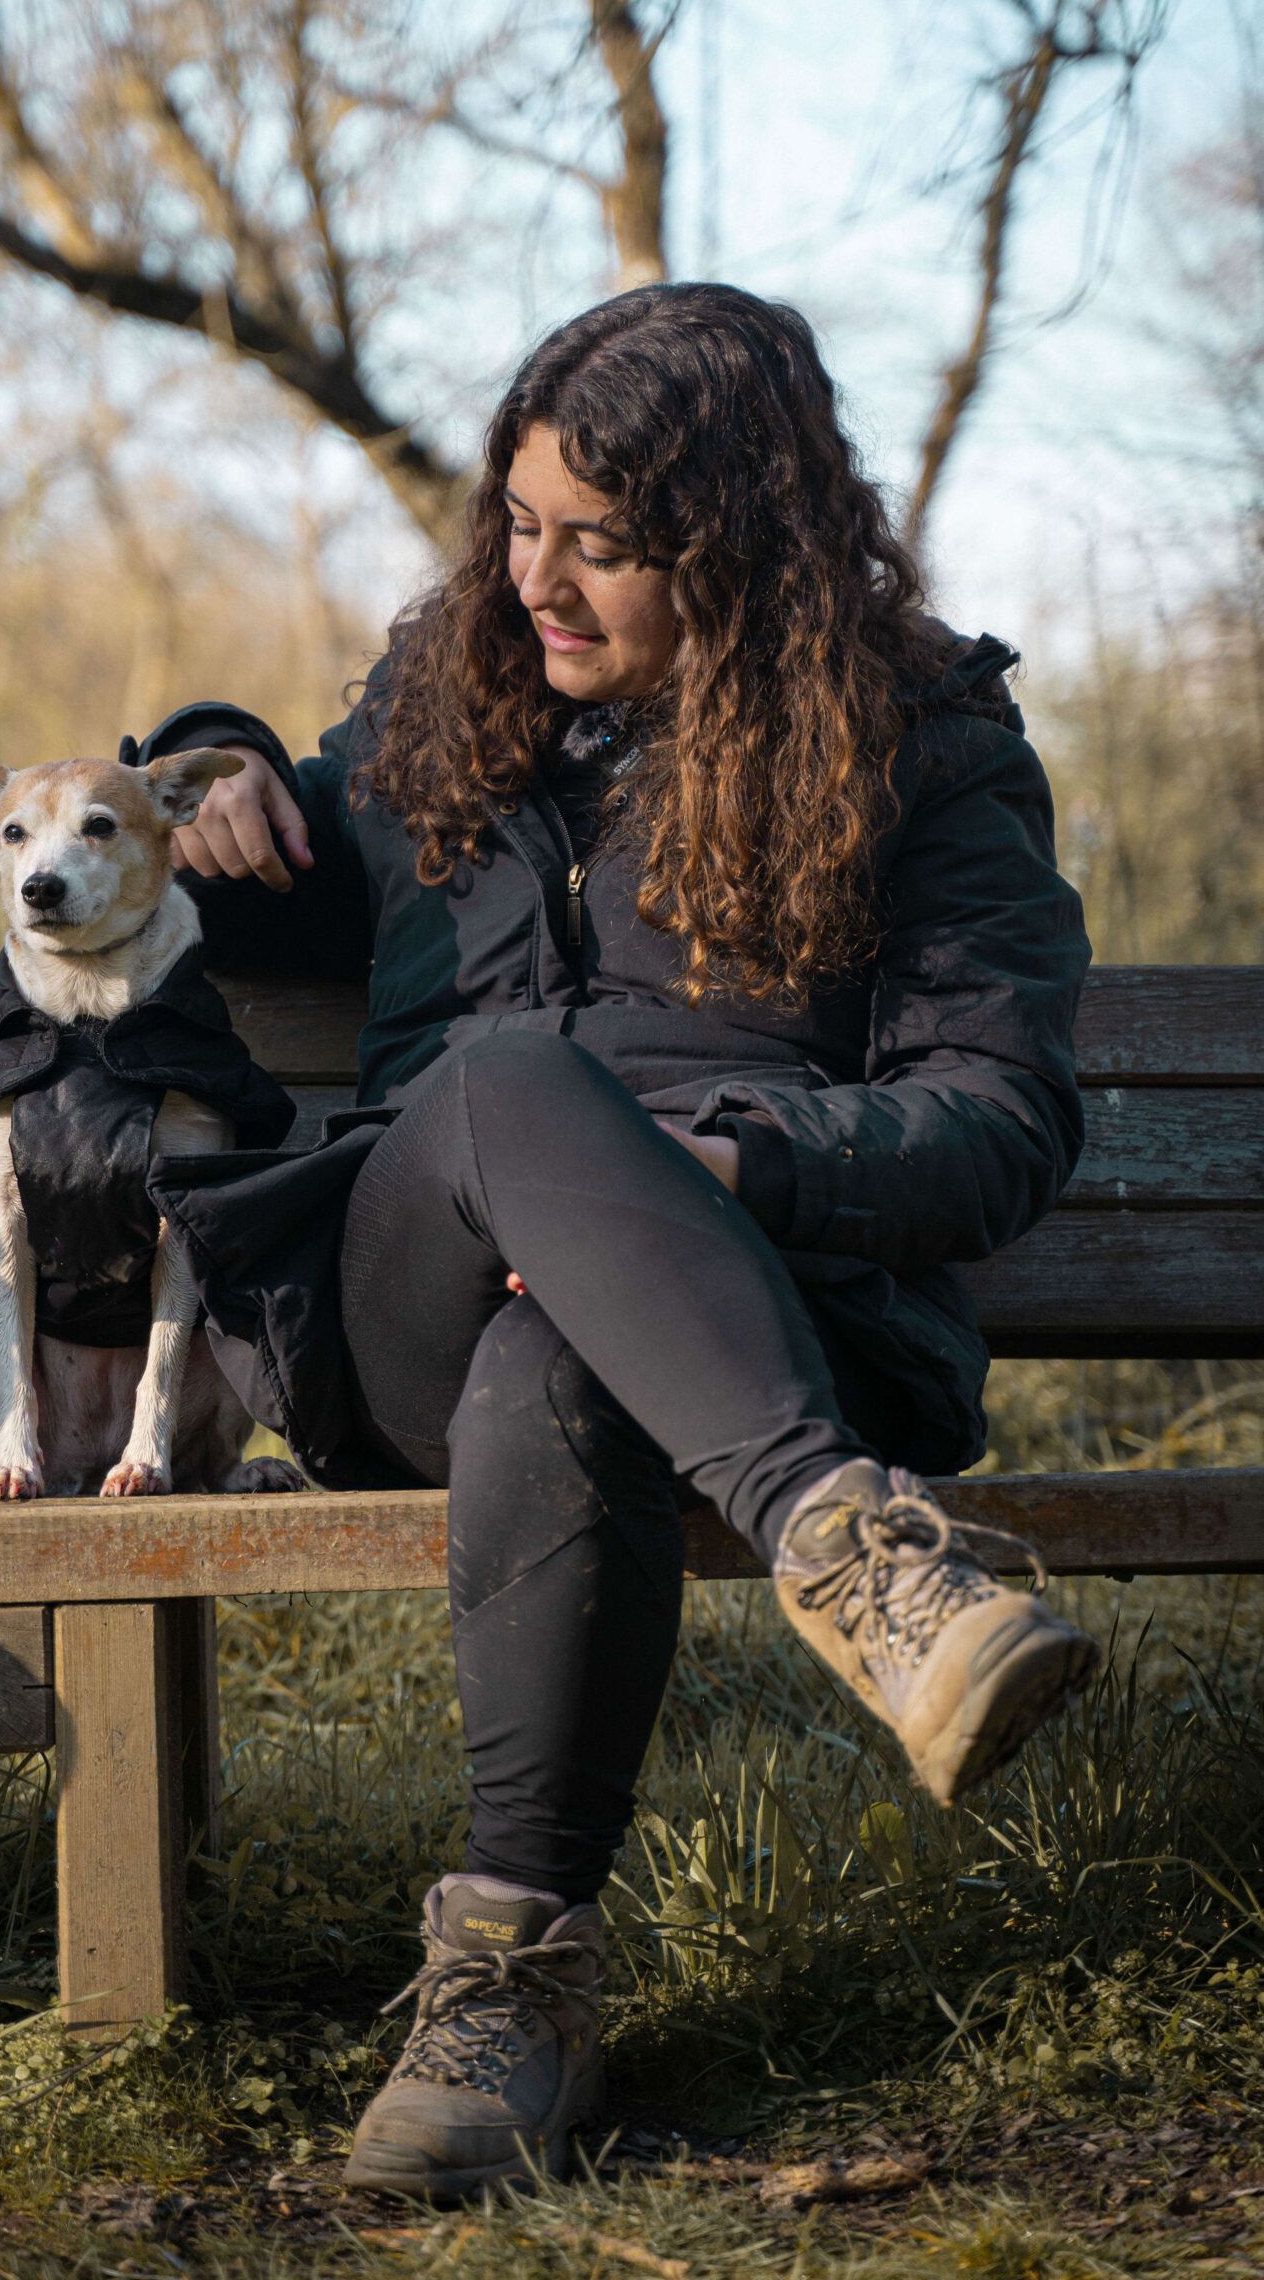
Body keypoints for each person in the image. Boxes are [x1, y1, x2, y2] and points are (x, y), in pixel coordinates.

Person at [134, 282, 1096, 2205]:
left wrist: (724, 1172)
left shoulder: (921, 745)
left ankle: (507, 1987)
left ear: (741, 546)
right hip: (394, 1315)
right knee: (500, 1083)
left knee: (562, 1348)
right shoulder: (450, 705)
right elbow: (264, 851)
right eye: (516, 522)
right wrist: (216, 760)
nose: (537, 585)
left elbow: (999, 1121)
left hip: (746, 1321)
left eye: (603, 546)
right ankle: (856, 1549)